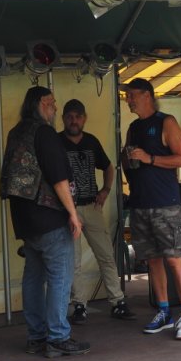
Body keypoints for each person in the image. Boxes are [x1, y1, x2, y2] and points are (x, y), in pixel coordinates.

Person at [0, 86, 90, 358]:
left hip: (24, 217)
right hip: (48, 215)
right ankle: (58, 337)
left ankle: (36, 336)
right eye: (51, 102)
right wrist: (73, 213)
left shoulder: (16, 132)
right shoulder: (44, 132)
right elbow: (58, 177)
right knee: (60, 277)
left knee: (33, 277)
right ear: (40, 103)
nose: (55, 107)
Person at [121, 78, 181, 340]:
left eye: (132, 95)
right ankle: (164, 312)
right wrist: (128, 161)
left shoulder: (167, 122)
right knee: (152, 260)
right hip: (140, 204)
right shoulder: (133, 128)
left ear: (147, 95)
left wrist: (150, 158)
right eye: (127, 96)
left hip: (166, 204)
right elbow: (129, 161)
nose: (128, 100)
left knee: (174, 258)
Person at [59, 99, 136, 324]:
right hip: (68, 210)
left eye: (77, 116)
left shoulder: (91, 141)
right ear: (63, 119)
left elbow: (109, 167)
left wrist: (106, 190)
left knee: (106, 255)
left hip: (91, 207)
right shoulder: (56, 142)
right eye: (69, 116)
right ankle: (79, 305)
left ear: (84, 119)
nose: (74, 121)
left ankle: (118, 302)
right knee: (73, 261)